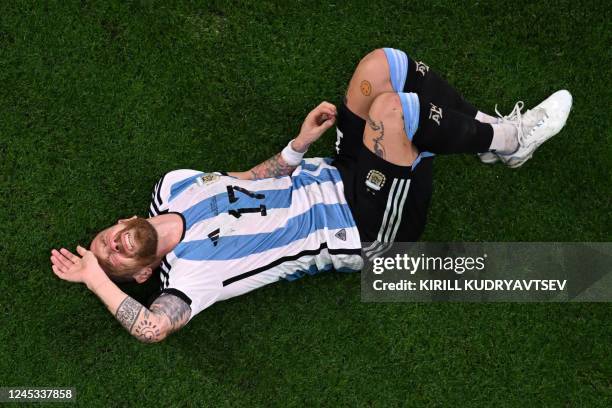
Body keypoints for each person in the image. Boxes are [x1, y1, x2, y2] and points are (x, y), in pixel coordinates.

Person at [50, 48, 572, 342]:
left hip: (336, 170)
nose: (113, 246)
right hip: (365, 226)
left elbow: (241, 182)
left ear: (121, 221)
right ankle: (512, 140)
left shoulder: (171, 185)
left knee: (379, 68)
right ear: (141, 274)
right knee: (394, 113)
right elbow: (151, 328)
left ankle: (487, 136)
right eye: (114, 261)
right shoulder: (187, 277)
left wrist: (296, 146)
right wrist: (93, 276)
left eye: (106, 240)